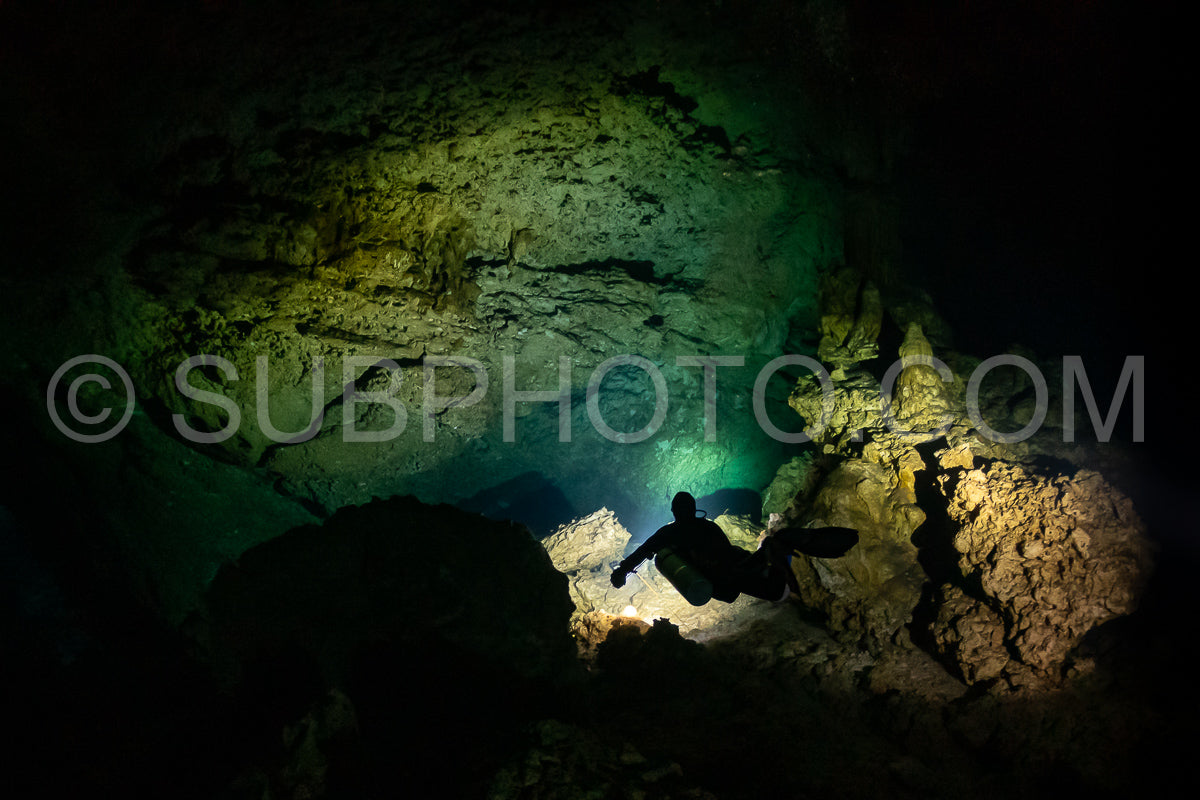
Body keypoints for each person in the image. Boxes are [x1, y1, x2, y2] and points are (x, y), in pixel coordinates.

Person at [610, 492, 797, 603]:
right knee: (773, 587)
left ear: (674, 512)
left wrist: (622, 572)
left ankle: (776, 557)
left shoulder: (668, 533)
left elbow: (643, 551)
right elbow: (727, 552)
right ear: (693, 509)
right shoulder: (708, 526)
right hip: (729, 572)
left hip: (724, 577)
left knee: (773, 588)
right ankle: (776, 555)